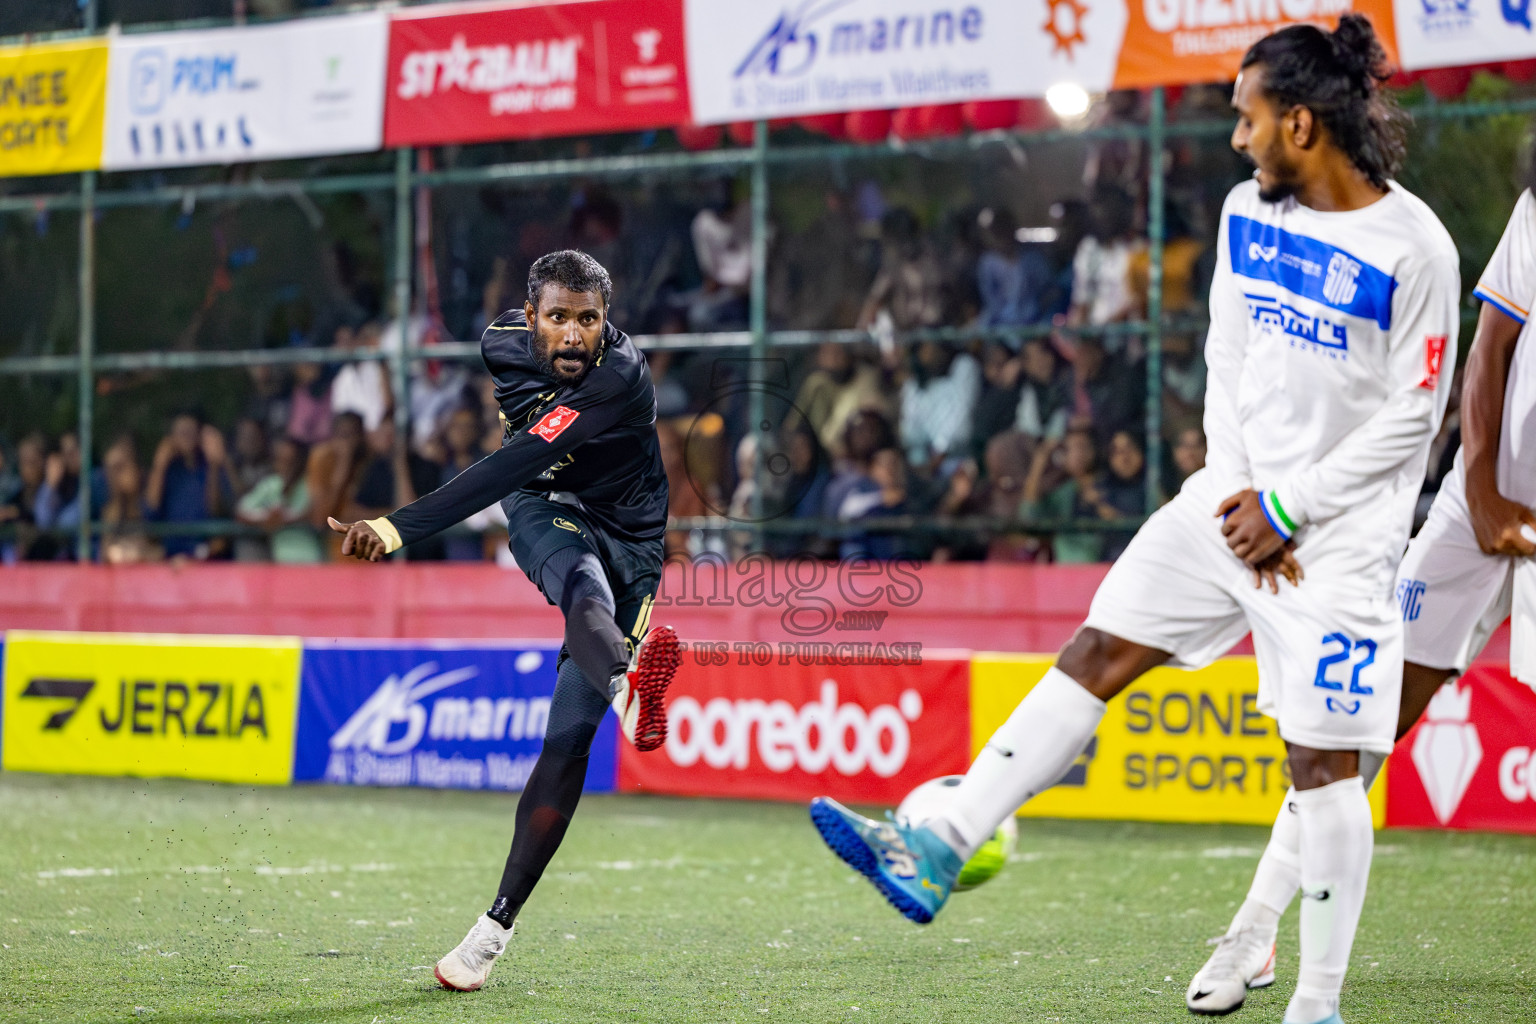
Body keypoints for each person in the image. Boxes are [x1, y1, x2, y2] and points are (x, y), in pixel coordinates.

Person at [809, 19, 1458, 1024]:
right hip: (1229, 507)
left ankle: (1317, 1004)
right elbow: (1227, 362)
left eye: (1247, 120)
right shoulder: (1248, 212)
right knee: (1100, 648)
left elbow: (1414, 419)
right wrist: (1241, 497)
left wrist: (1290, 509)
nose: (1235, 141)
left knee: (1323, 770)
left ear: (1300, 121)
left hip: (1339, 547)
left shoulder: (1416, 246)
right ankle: (941, 843)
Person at [1187, 157, 1536, 1017]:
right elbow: (1491, 343)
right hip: (1473, 508)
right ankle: (1254, 929)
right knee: (1361, 716)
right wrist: (1483, 488)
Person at [326, 250, 681, 993]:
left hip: (636, 539)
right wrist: (396, 530)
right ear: (530, 320)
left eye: (589, 319)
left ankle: (489, 936)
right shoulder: (498, 344)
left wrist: (394, 527)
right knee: (581, 585)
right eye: (559, 318)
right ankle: (631, 685)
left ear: (606, 321)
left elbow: (504, 461)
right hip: (547, 508)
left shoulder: (621, 375)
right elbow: (511, 473)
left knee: (567, 742)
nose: (575, 335)